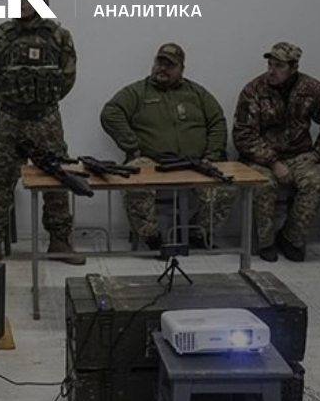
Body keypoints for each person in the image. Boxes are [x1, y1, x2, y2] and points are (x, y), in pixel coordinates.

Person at [0, 0, 83, 265]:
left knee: (57, 178)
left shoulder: (59, 37)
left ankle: (60, 241)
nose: (21, 2)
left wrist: (42, 102)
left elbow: (67, 78)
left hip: (46, 120)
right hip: (9, 120)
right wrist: (10, 101)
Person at [100, 43, 234, 250]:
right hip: (151, 161)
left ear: (181, 69)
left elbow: (217, 121)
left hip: (194, 162)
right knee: (133, 183)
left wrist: (212, 155)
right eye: (159, 63)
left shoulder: (197, 93)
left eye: (170, 65)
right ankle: (152, 238)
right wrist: (132, 146)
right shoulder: (137, 92)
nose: (162, 68)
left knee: (225, 189)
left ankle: (196, 234)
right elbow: (110, 113)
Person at [232, 42, 320, 262]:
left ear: (293, 68)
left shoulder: (312, 89)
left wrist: (318, 154)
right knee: (264, 185)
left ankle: (290, 238)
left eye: (279, 66)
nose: (271, 71)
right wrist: (273, 162)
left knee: (317, 184)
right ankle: (266, 242)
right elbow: (243, 135)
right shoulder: (254, 90)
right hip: (260, 159)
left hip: (297, 155)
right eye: (270, 64)